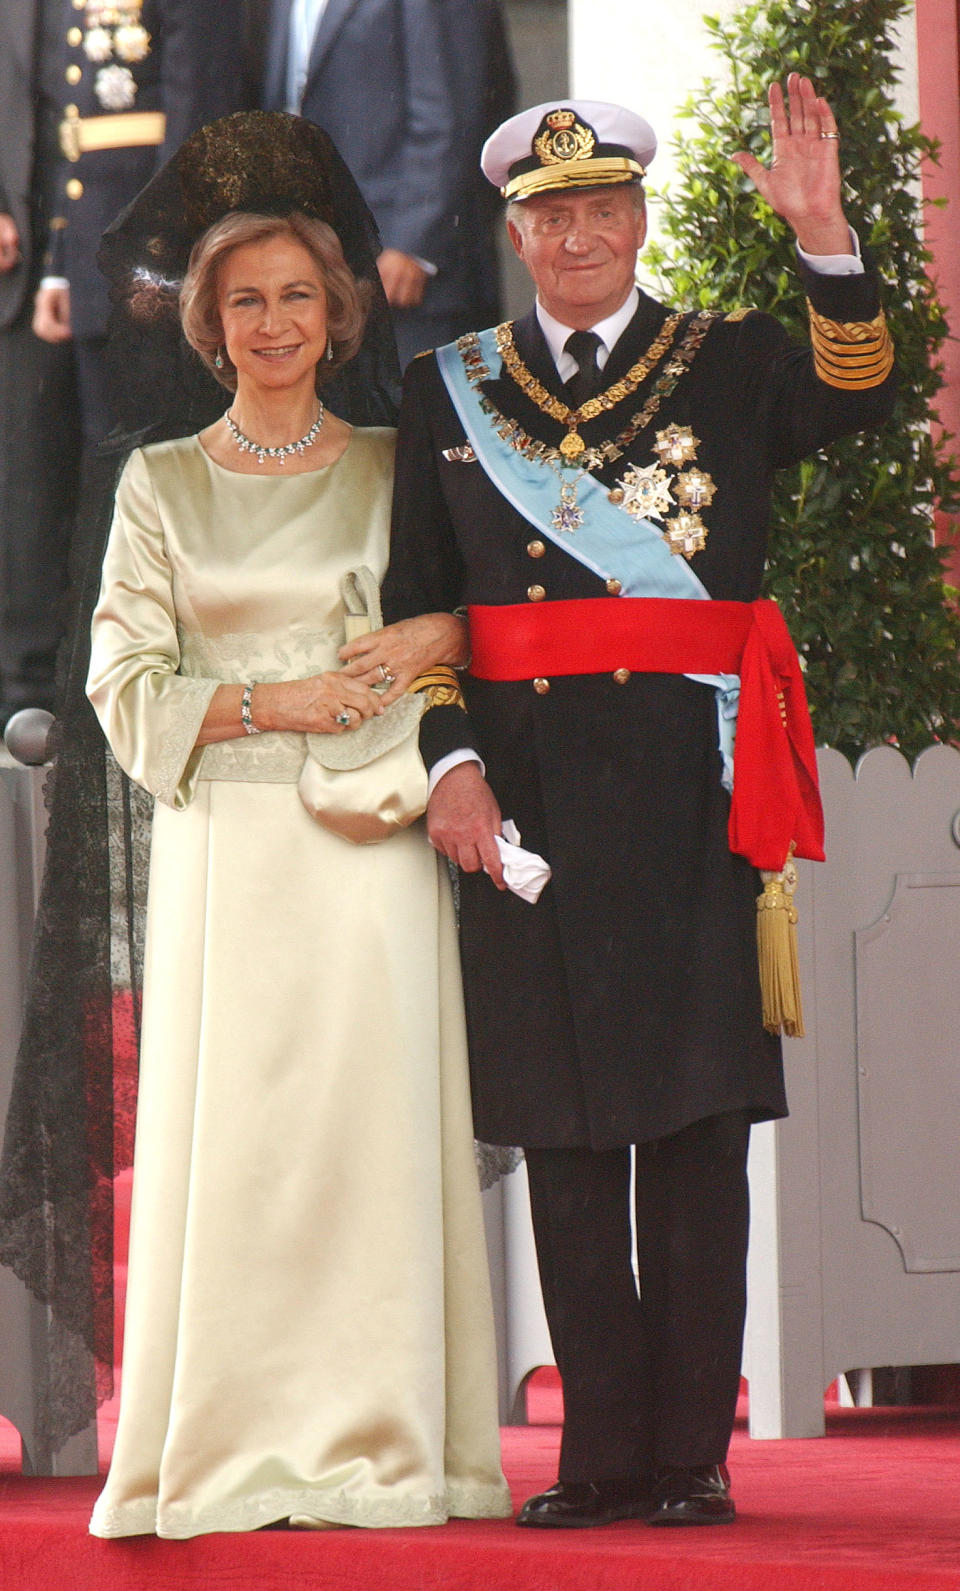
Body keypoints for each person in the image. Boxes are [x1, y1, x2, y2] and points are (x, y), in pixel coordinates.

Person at [381, 81, 897, 1527]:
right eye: (554, 216)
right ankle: (596, 1450)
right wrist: (450, 762)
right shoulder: (450, 384)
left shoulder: (726, 362)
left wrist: (825, 235)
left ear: (640, 220)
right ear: (517, 234)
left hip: (693, 796)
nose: (582, 235)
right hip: (528, 806)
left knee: (691, 1132)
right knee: (561, 1133)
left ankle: (689, 1451)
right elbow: (419, 609)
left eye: (606, 209)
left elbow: (859, 393)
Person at [77, 111, 509, 1537]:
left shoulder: (400, 467)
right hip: (229, 853)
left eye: (298, 297)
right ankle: (225, 1443)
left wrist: (438, 623)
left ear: (337, 317)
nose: (273, 320)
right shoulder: (161, 484)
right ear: (211, 322)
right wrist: (277, 706)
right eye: (245, 299)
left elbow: (475, 629)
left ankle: (392, 1446)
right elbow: (122, 687)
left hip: (374, 851)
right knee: (242, 1147)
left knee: (368, 1138)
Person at [0, 0, 245, 729]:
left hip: (143, 270)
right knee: (45, 494)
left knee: (138, 486)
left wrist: (167, 262)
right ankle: (45, 696)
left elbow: (201, 114)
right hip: (54, 261)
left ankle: (139, 684)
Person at [261, 0, 515, 365]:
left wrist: (413, 245)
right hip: (310, 260)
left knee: (417, 413)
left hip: (406, 273)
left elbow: (452, 114)